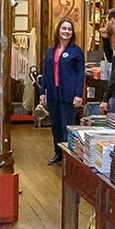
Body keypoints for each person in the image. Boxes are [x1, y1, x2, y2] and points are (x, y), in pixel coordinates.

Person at [37, 18, 86, 165]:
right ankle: (57, 153)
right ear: (58, 30)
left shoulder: (76, 51)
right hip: (53, 94)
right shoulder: (51, 51)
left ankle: (67, 157)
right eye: (64, 28)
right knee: (56, 126)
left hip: (68, 94)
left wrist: (78, 94)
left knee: (67, 126)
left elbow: (80, 74)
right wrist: (42, 92)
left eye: (69, 29)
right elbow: (45, 72)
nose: (66, 31)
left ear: (72, 33)